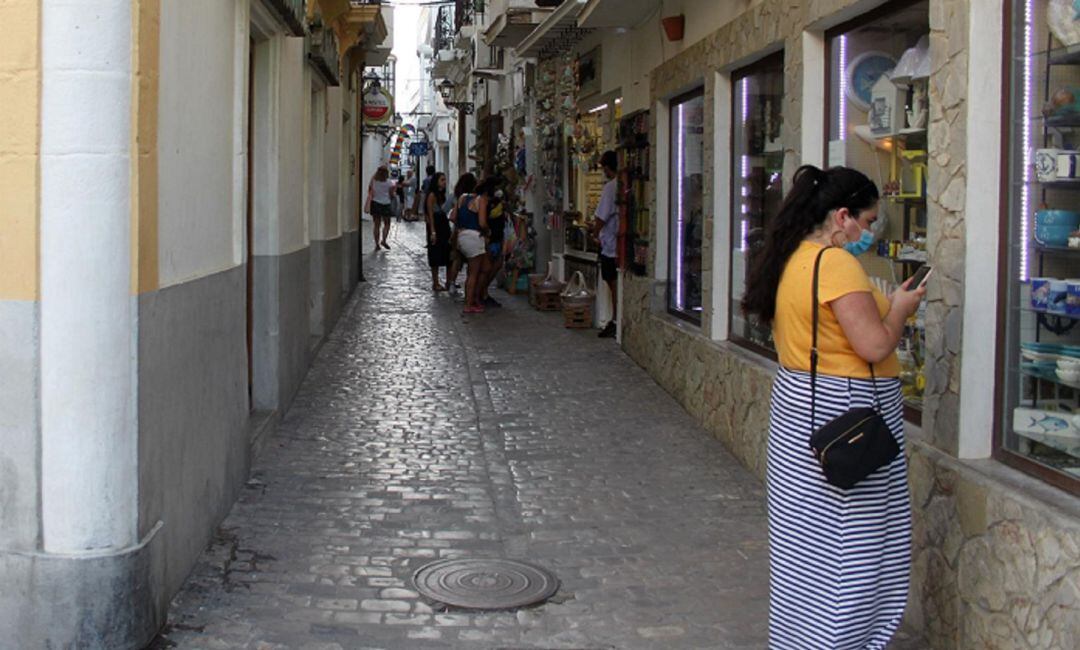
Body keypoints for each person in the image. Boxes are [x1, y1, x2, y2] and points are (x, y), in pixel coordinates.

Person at [740, 165, 925, 650]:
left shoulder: (791, 258)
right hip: (848, 420)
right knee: (853, 552)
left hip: (801, 418)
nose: (868, 232)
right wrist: (901, 311)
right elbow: (872, 345)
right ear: (842, 217)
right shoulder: (837, 264)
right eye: (867, 221)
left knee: (806, 553)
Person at [590, 150, 620, 338]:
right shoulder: (621, 185)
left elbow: (601, 215)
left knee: (612, 283)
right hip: (614, 241)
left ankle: (615, 319)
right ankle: (615, 318)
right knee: (612, 283)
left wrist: (594, 233)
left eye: (603, 168)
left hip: (610, 243)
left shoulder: (611, 187)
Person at [453, 175, 488, 313]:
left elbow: (453, 216)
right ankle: (469, 303)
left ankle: (474, 298)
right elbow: (482, 223)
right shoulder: (481, 200)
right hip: (474, 236)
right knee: (474, 273)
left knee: (485, 267)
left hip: (462, 236)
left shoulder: (462, 198)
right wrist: (487, 231)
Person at [446, 173, 476, 296]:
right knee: (471, 261)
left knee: (457, 259)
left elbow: (445, 210)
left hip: (458, 232)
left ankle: (452, 283)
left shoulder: (455, 197)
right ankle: (470, 287)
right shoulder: (474, 198)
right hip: (472, 232)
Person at [479, 179, 506, 308]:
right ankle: (481, 293)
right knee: (488, 267)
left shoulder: (496, 203)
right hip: (490, 239)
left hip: (496, 238)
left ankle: (482, 292)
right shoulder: (486, 203)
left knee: (495, 265)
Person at [424, 172, 452, 291]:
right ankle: (435, 283)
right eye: (442, 180)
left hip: (444, 225)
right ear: (436, 182)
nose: (444, 182)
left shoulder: (442, 195)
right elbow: (430, 214)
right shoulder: (432, 195)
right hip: (436, 225)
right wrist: (433, 232)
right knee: (435, 254)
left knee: (448, 254)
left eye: (445, 180)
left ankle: (448, 282)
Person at [366, 165, 394, 250]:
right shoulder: (389, 183)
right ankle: (384, 240)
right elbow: (391, 195)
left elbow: (370, 190)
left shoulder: (373, 181)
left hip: (375, 203)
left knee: (376, 225)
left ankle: (376, 244)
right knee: (387, 224)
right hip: (386, 204)